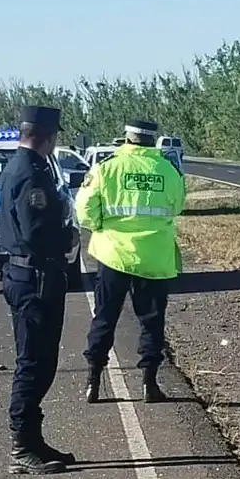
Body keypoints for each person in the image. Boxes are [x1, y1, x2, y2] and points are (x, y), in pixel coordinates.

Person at [77, 119, 186, 404]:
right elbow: (177, 206)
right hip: (154, 256)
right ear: (153, 140)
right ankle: (149, 383)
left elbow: (85, 210)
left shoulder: (107, 167)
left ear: (126, 137)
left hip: (114, 254)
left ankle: (93, 380)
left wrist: (101, 227)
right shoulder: (167, 170)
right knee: (152, 321)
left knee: (105, 316)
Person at [0, 104, 76, 475]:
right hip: (35, 277)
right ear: (48, 136)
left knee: (42, 362)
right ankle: (22, 446)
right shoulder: (30, 172)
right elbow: (35, 231)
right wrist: (66, 236)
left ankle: (33, 440)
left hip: (30, 275)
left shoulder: (22, 166)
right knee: (34, 363)